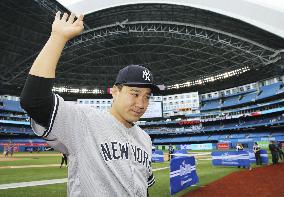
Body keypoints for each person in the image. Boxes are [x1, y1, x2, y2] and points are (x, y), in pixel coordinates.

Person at [20, 12, 158, 197]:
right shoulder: (84, 121)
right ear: (115, 92)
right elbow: (34, 100)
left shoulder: (145, 139)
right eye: (134, 93)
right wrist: (58, 38)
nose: (141, 103)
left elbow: (143, 188)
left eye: (147, 96)